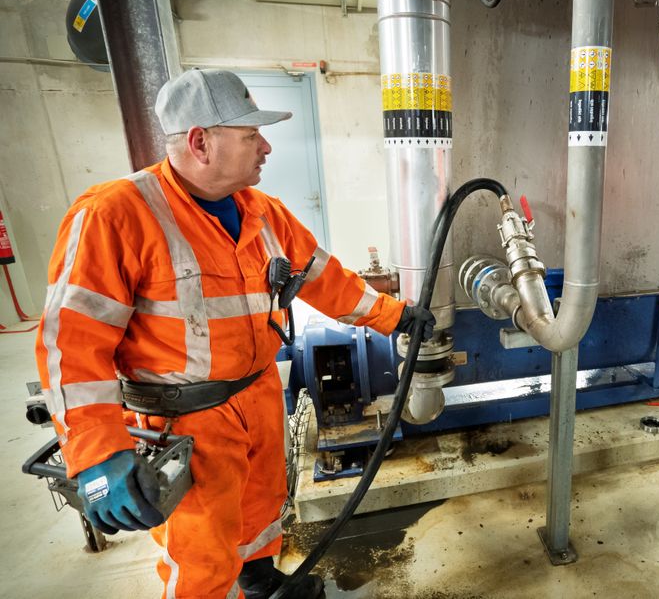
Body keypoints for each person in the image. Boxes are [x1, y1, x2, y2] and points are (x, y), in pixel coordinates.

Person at [35, 68, 435, 598]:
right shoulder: (114, 215)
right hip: (184, 421)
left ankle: (262, 583)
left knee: (261, 515)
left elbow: (325, 280)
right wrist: (98, 455)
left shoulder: (263, 212)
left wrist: (394, 315)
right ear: (200, 142)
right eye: (251, 136)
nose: (265, 147)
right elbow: (71, 347)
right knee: (201, 560)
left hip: (258, 396)